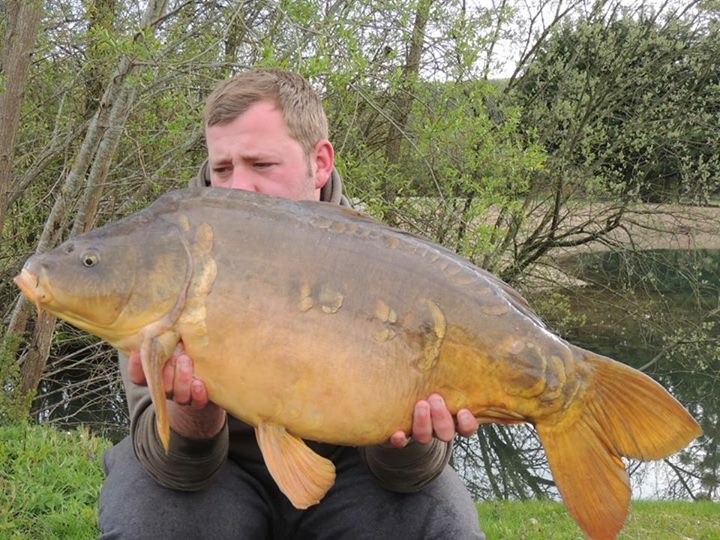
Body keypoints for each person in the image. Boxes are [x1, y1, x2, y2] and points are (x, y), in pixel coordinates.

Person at [99, 68, 485, 539]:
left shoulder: (387, 266)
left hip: (353, 465)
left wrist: (405, 436)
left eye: (261, 165)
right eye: (222, 169)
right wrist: (195, 414)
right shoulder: (166, 256)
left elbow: (408, 475)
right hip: (219, 471)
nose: (238, 188)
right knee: (147, 519)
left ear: (319, 163)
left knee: (440, 520)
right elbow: (174, 467)